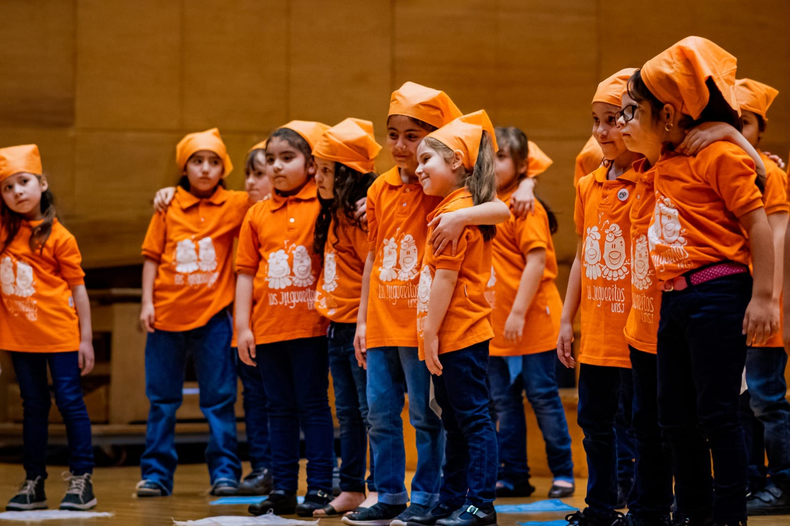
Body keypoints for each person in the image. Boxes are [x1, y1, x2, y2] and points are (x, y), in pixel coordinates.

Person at [620, 36, 778, 526]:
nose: (625, 122)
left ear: (667, 114)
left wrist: (765, 298)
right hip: (674, 301)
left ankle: (728, 516)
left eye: (634, 111)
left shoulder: (719, 157)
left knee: (717, 416)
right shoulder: (661, 163)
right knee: (674, 421)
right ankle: (691, 513)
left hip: (719, 293)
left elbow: (761, 216)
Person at [345, 83, 510, 526]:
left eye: (414, 138)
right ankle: (392, 494)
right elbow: (374, 256)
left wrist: (462, 214)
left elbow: (498, 207)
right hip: (386, 320)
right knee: (380, 414)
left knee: (430, 416)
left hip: (430, 326)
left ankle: (431, 496)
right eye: (392, 134)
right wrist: (362, 319)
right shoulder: (382, 189)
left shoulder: (442, 195)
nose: (401, 147)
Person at [138, 128, 247, 498]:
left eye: (213, 162)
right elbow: (152, 257)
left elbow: (268, 197)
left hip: (214, 316)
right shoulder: (167, 206)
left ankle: (225, 472)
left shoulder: (235, 203)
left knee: (219, 398)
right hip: (166, 316)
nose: (204, 169)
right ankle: (155, 474)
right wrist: (147, 303)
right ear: (184, 168)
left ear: (223, 168)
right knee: (162, 400)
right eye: (197, 162)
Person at [235, 121, 337, 517]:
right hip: (269, 328)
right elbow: (245, 272)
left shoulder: (324, 207)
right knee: (277, 409)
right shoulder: (258, 213)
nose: (276, 166)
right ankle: (282, 489)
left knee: (313, 406)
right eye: (271, 159)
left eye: (287, 158)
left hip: (312, 327)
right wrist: (244, 326)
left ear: (311, 166)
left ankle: (319, 488)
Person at [557, 69, 642, 526]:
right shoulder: (588, 185)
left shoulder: (651, 179)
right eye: (595, 120)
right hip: (597, 334)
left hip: (638, 333)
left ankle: (646, 506)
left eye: (612, 119)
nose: (601, 131)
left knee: (641, 426)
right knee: (595, 424)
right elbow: (584, 260)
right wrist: (567, 320)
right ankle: (602, 506)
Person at [411, 109, 499, 526]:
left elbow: (445, 279)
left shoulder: (454, 213)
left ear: (457, 163)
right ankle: (450, 499)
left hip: (459, 334)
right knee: (457, 423)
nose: (417, 167)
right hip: (453, 335)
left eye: (426, 158)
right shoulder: (456, 207)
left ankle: (480, 503)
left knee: (473, 421)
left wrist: (428, 335)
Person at [0, 144, 97, 511]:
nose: (17, 192)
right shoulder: (3, 233)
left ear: (41, 183)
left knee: (71, 404)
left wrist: (84, 339)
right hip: (21, 339)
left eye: (23, 182)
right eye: (7, 188)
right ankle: (33, 482)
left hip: (60, 337)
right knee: (33, 407)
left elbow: (78, 289)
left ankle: (82, 479)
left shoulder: (60, 237)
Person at [486, 126, 575, 499]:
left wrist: (519, 312)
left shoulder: (526, 207)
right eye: (489, 156)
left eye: (502, 157)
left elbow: (537, 262)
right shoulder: (485, 203)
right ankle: (514, 474)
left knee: (542, 395)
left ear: (522, 166)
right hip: (495, 324)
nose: (492, 164)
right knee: (503, 401)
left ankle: (564, 472)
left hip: (532, 319)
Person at [312, 118, 380, 516]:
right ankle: (351, 486)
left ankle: (376, 486)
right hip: (336, 326)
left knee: (370, 413)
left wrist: (363, 325)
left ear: (347, 174)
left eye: (325, 170)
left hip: (360, 326)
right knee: (348, 413)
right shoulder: (333, 212)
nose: (317, 177)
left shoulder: (361, 216)